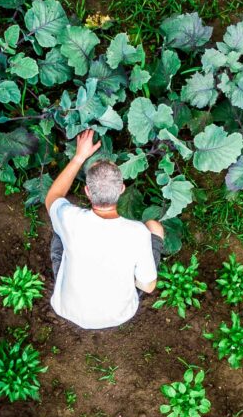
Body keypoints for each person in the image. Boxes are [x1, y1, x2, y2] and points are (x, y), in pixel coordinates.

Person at [44, 130, 165, 330]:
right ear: (122, 189)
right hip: (118, 314)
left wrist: (79, 156)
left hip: (67, 308)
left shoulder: (70, 219)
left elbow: (53, 197)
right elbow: (148, 287)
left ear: (87, 192)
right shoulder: (137, 234)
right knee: (155, 227)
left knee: (58, 224)